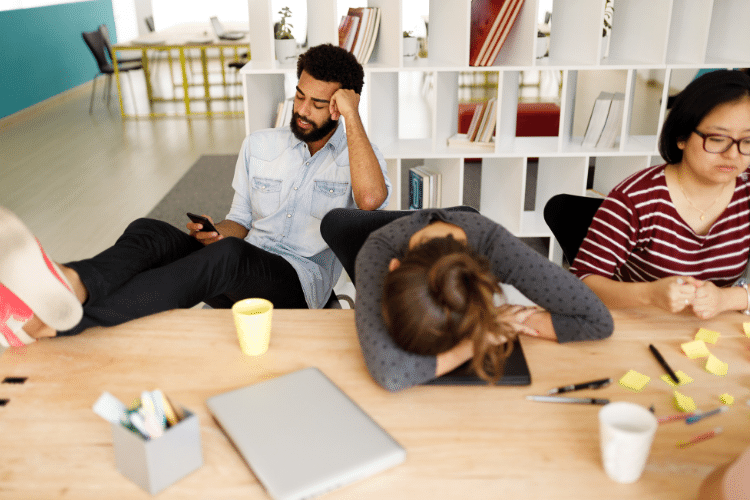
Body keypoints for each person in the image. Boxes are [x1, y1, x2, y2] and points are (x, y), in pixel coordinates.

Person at [0, 43, 391, 346]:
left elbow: (371, 199)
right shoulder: (260, 144)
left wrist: (354, 118)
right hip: (239, 265)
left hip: (296, 288)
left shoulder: (361, 158)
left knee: (228, 257)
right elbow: (240, 220)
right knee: (151, 231)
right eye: (300, 95)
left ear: (342, 107)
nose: (302, 110)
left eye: (318, 103)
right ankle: (71, 282)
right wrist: (216, 232)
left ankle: (66, 323)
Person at [354, 208, 614, 392]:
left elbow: (597, 321)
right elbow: (391, 373)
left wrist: (513, 320)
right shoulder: (378, 252)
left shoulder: (494, 244)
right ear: (394, 267)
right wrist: (478, 340)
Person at [570, 69, 750, 319]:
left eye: (748, 142)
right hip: (636, 326)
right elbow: (580, 282)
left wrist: (728, 298)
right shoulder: (635, 198)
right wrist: (650, 294)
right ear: (682, 136)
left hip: (713, 331)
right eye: (718, 139)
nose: (733, 155)